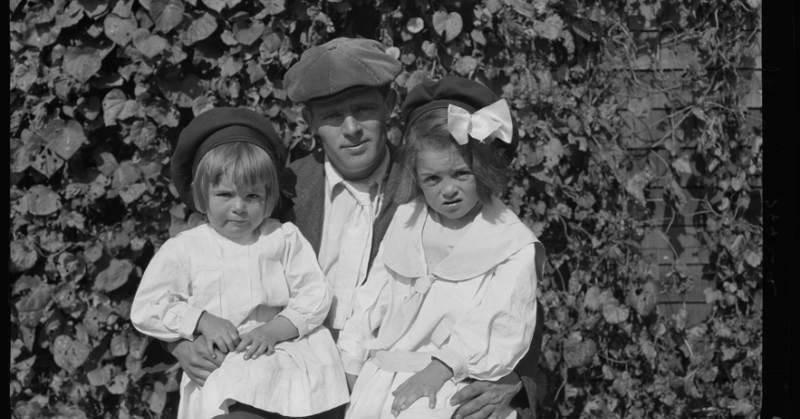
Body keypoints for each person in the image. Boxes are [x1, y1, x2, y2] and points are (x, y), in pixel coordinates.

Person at [170, 37, 545, 419]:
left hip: (390, 378)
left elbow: (507, 287)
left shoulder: (428, 179)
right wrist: (182, 341)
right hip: (292, 367)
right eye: (332, 116)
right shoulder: (280, 192)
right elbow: (198, 264)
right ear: (310, 122)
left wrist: (515, 380)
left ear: (389, 107)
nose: (351, 129)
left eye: (364, 109)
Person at [336, 76, 542, 419]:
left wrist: (444, 366)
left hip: (453, 383)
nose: (448, 190)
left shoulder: (508, 242)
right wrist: (352, 363)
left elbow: (502, 318)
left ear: (484, 169)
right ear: (415, 176)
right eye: (433, 178)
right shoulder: (406, 221)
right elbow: (370, 297)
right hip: (381, 379)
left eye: (461, 174)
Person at [130, 107, 349, 419]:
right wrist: (202, 319)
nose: (239, 208)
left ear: (269, 197)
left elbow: (315, 294)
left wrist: (274, 330)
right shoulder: (185, 249)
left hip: (284, 349)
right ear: (201, 197)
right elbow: (148, 305)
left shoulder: (282, 238)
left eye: (252, 196)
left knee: (305, 401)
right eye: (224, 194)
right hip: (227, 361)